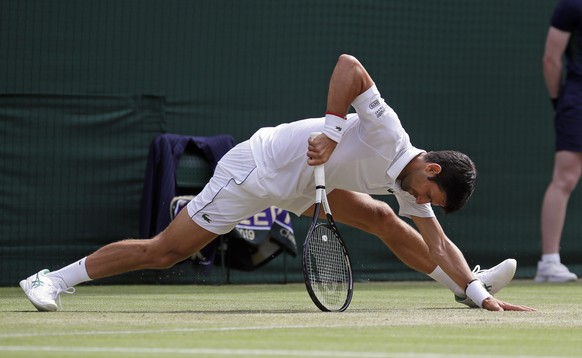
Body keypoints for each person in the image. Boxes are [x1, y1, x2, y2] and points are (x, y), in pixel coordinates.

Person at [20, 54, 535, 312]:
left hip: (305, 185)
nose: (421, 201)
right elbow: (349, 66)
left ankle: (463, 291)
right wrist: (333, 133)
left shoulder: (409, 182)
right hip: (256, 171)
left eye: (428, 202)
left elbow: (435, 240)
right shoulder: (389, 133)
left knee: (383, 218)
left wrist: (474, 290)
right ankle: (53, 279)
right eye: (428, 195)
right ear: (431, 169)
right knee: (164, 252)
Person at [536, 0, 581, 283]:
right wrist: (558, 100)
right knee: (565, 178)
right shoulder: (572, 5)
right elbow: (551, 59)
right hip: (578, 99)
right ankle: (549, 263)